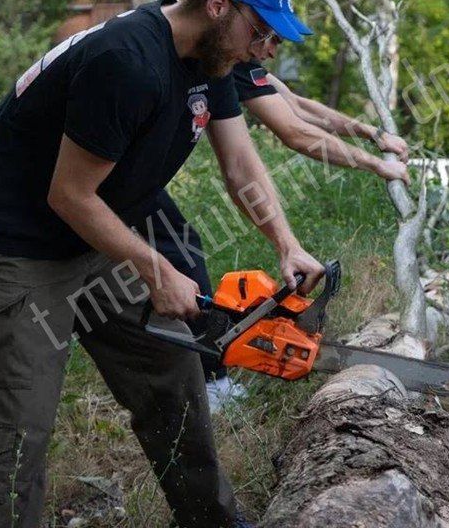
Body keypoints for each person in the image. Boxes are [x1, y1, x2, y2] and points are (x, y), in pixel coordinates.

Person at [0, 0, 323, 528]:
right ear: (218, 6)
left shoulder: (209, 60)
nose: (267, 49)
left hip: (94, 232)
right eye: (262, 31)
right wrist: (155, 268)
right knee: (19, 424)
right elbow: (68, 195)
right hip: (18, 244)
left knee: (171, 370)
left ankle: (210, 521)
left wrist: (286, 244)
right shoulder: (128, 62)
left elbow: (240, 165)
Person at [142, 43, 411, 409]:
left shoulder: (241, 58)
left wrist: (373, 134)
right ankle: (212, 382)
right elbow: (294, 131)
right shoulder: (221, 55)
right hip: (113, 171)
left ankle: (198, 371)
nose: (271, 48)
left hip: (137, 176)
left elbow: (297, 106)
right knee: (180, 250)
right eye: (267, 36)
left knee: (176, 249)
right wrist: (376, 164)